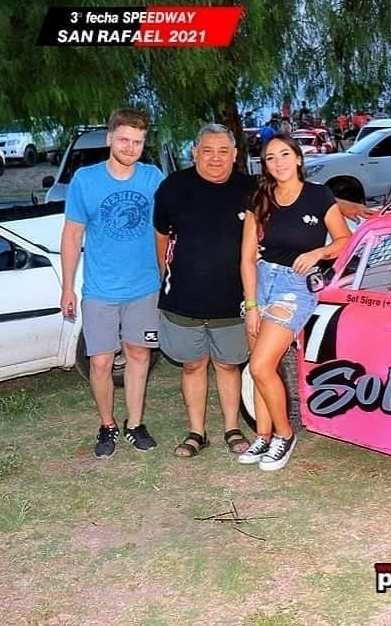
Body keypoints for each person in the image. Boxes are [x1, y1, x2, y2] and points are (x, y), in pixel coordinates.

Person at [238, 134, 351, 471]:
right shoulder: (260, 197)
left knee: (261, 365)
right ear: (265, 165)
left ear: (298, 158)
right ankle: (263, 435)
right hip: (261, 281)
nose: (279, 163)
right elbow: (245, 258)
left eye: (285, 154)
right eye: (270, 158)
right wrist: (251, 305)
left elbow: (345, 240)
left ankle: (284, 436)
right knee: (258, 366)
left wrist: (319, 251)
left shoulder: (319, 195)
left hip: (295, 285)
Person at [60, 108, 164, 458]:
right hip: (100, 290)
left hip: (144, 287)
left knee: (139, 354)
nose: (130, 147)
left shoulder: (153, 178)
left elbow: (166, 229)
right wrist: (67, 288)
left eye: (137, 142)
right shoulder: (85, 180)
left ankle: (135, 424)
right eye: (124, 139)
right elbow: (72, 236)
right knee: (101, 362)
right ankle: (107, 425)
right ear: (109, 138)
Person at [153, 124, 256, 458]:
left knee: (229, 366)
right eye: (207, 150)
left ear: (235, 155)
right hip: (183, 299)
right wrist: (167, 275)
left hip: (234, 301)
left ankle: (232, 428)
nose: (215, 158)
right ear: (194, 152)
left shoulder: (251, 189)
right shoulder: (172, 188)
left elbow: (296, 196)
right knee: (193, 365)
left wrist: (343, 206)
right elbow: (161, 236)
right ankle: (196, 432)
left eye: (223, 151)